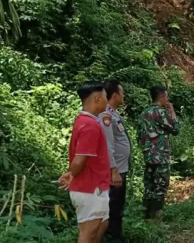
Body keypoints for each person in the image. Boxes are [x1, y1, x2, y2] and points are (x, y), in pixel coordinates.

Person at [58, 82, 111, 243]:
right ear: (96, 99)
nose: (107, 101)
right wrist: (72, 174)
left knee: (100, 226)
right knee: (88, 233)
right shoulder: (90, 125)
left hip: (96, 186)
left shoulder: (85, 121)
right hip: (89, 188)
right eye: (105, 98)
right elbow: (80, 158)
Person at [138, 86, 180, 220]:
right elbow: (175, 129)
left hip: (148, 154)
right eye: (166, 97)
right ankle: (157, 218)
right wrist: (172, 112)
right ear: (162, 98)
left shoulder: (144, 113)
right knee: (161, 185)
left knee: (149, 185)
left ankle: (145, 216)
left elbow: (139, 135)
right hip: (160, 155)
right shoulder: (161, 112)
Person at [99, 80, 131, 243]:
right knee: (113, 208)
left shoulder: (113, 114)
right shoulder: (106, 116)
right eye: (122, 93)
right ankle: (113, 238)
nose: (123, 96)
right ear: (115, 95)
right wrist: (114, 170)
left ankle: (117, 236)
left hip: (120, 168)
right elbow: (107, 145)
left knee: (117, 207)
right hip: (115, 171)